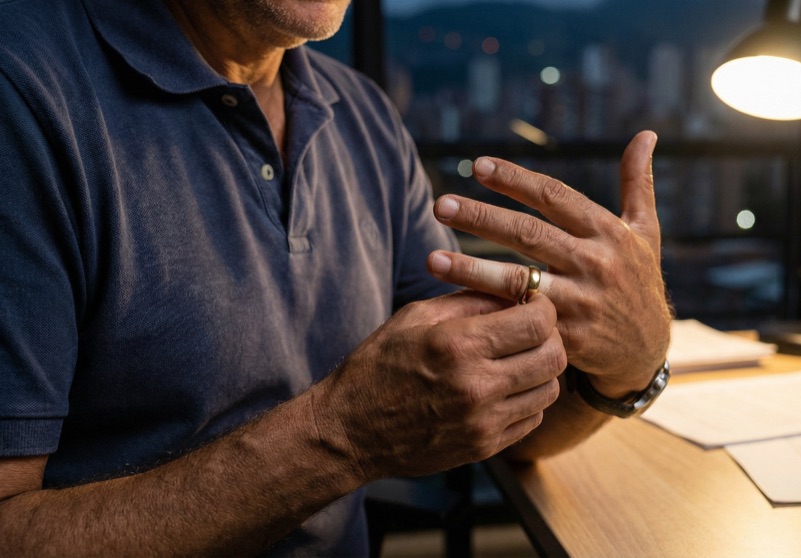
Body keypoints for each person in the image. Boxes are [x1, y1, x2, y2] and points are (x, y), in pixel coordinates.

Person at [0, 0, 672, 555]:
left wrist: (629, 367)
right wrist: (342, 436)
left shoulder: (362, 114)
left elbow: (487, 416)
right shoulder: (26, 90)